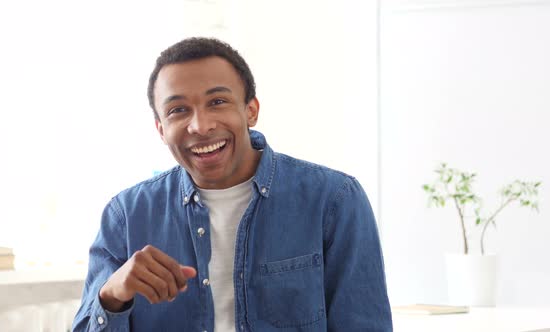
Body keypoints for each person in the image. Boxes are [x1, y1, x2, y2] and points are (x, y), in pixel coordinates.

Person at [72, 37, 392, 332]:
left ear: (250, 110)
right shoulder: (126, 215)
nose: (200, 125)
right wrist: (112, 295)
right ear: (160, 128)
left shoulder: (334, 200)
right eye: (178, 110)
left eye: (217, 102)